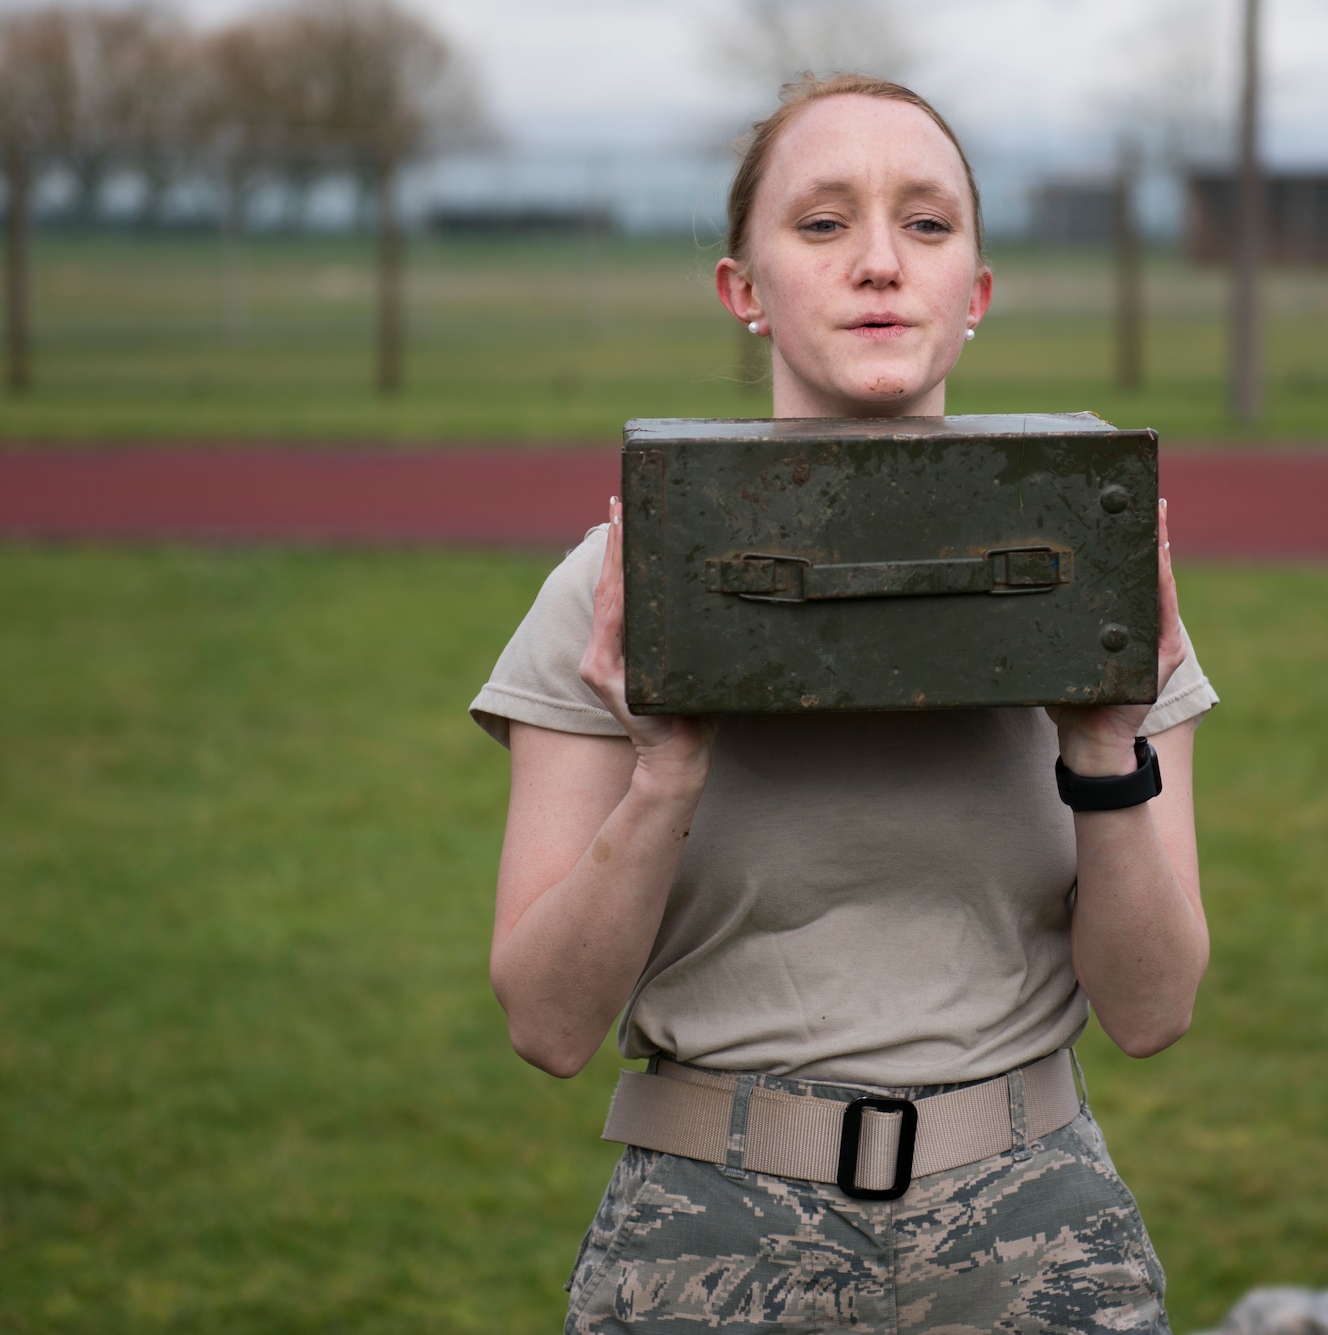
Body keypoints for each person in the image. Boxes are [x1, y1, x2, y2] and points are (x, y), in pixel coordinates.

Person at [469, 74, 1219, 1335]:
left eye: (925, 225)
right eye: (822, 224)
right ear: (742, 290)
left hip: (1031, 1228)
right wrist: (664, 774)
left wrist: (1103, 742)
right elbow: (546, 1025)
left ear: (974, 292)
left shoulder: (1092, 578)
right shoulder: (614, 590)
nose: (879, 262)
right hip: (707, 1227)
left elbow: (1153, 1011)